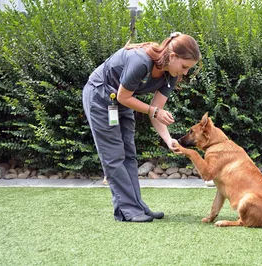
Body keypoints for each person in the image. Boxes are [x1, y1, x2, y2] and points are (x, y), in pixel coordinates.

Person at [82, 32, 201, 222]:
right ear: (172, 57)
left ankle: (137, 206)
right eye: (185, 66)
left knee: (129, 153)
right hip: (100, 95)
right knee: (114, 156)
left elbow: (157, 112)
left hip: (122, 101)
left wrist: (168, 139)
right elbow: (126, 98)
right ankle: (128, 210)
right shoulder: (141, 61)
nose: (185, 73)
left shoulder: (170, 75)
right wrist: (154, 111)